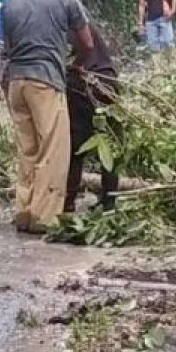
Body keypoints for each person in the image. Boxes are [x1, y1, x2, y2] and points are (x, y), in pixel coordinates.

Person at [1, 0, 93, 233]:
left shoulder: (10, 3)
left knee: (27, 149)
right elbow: (87, 43)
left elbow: (8, 47)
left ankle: (24, 211)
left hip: (16, 82)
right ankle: (45, 218)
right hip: (46, 81)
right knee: (53, 150)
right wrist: (74, 64)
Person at [64, 25, 120, 214]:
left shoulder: (64, 26)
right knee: (109, 145)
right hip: (107, 82)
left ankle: (68, 201)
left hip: (84, 83)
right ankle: (109, 201)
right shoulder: (82, 24)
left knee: (75, 148)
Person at [137, 0, 176, 64]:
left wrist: (172, 10)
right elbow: (141, 5)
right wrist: (140, 23)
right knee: (153, 46)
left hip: (163, 17)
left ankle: (172, 65)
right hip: (150, 20)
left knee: (168, 42)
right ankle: (158, 69)